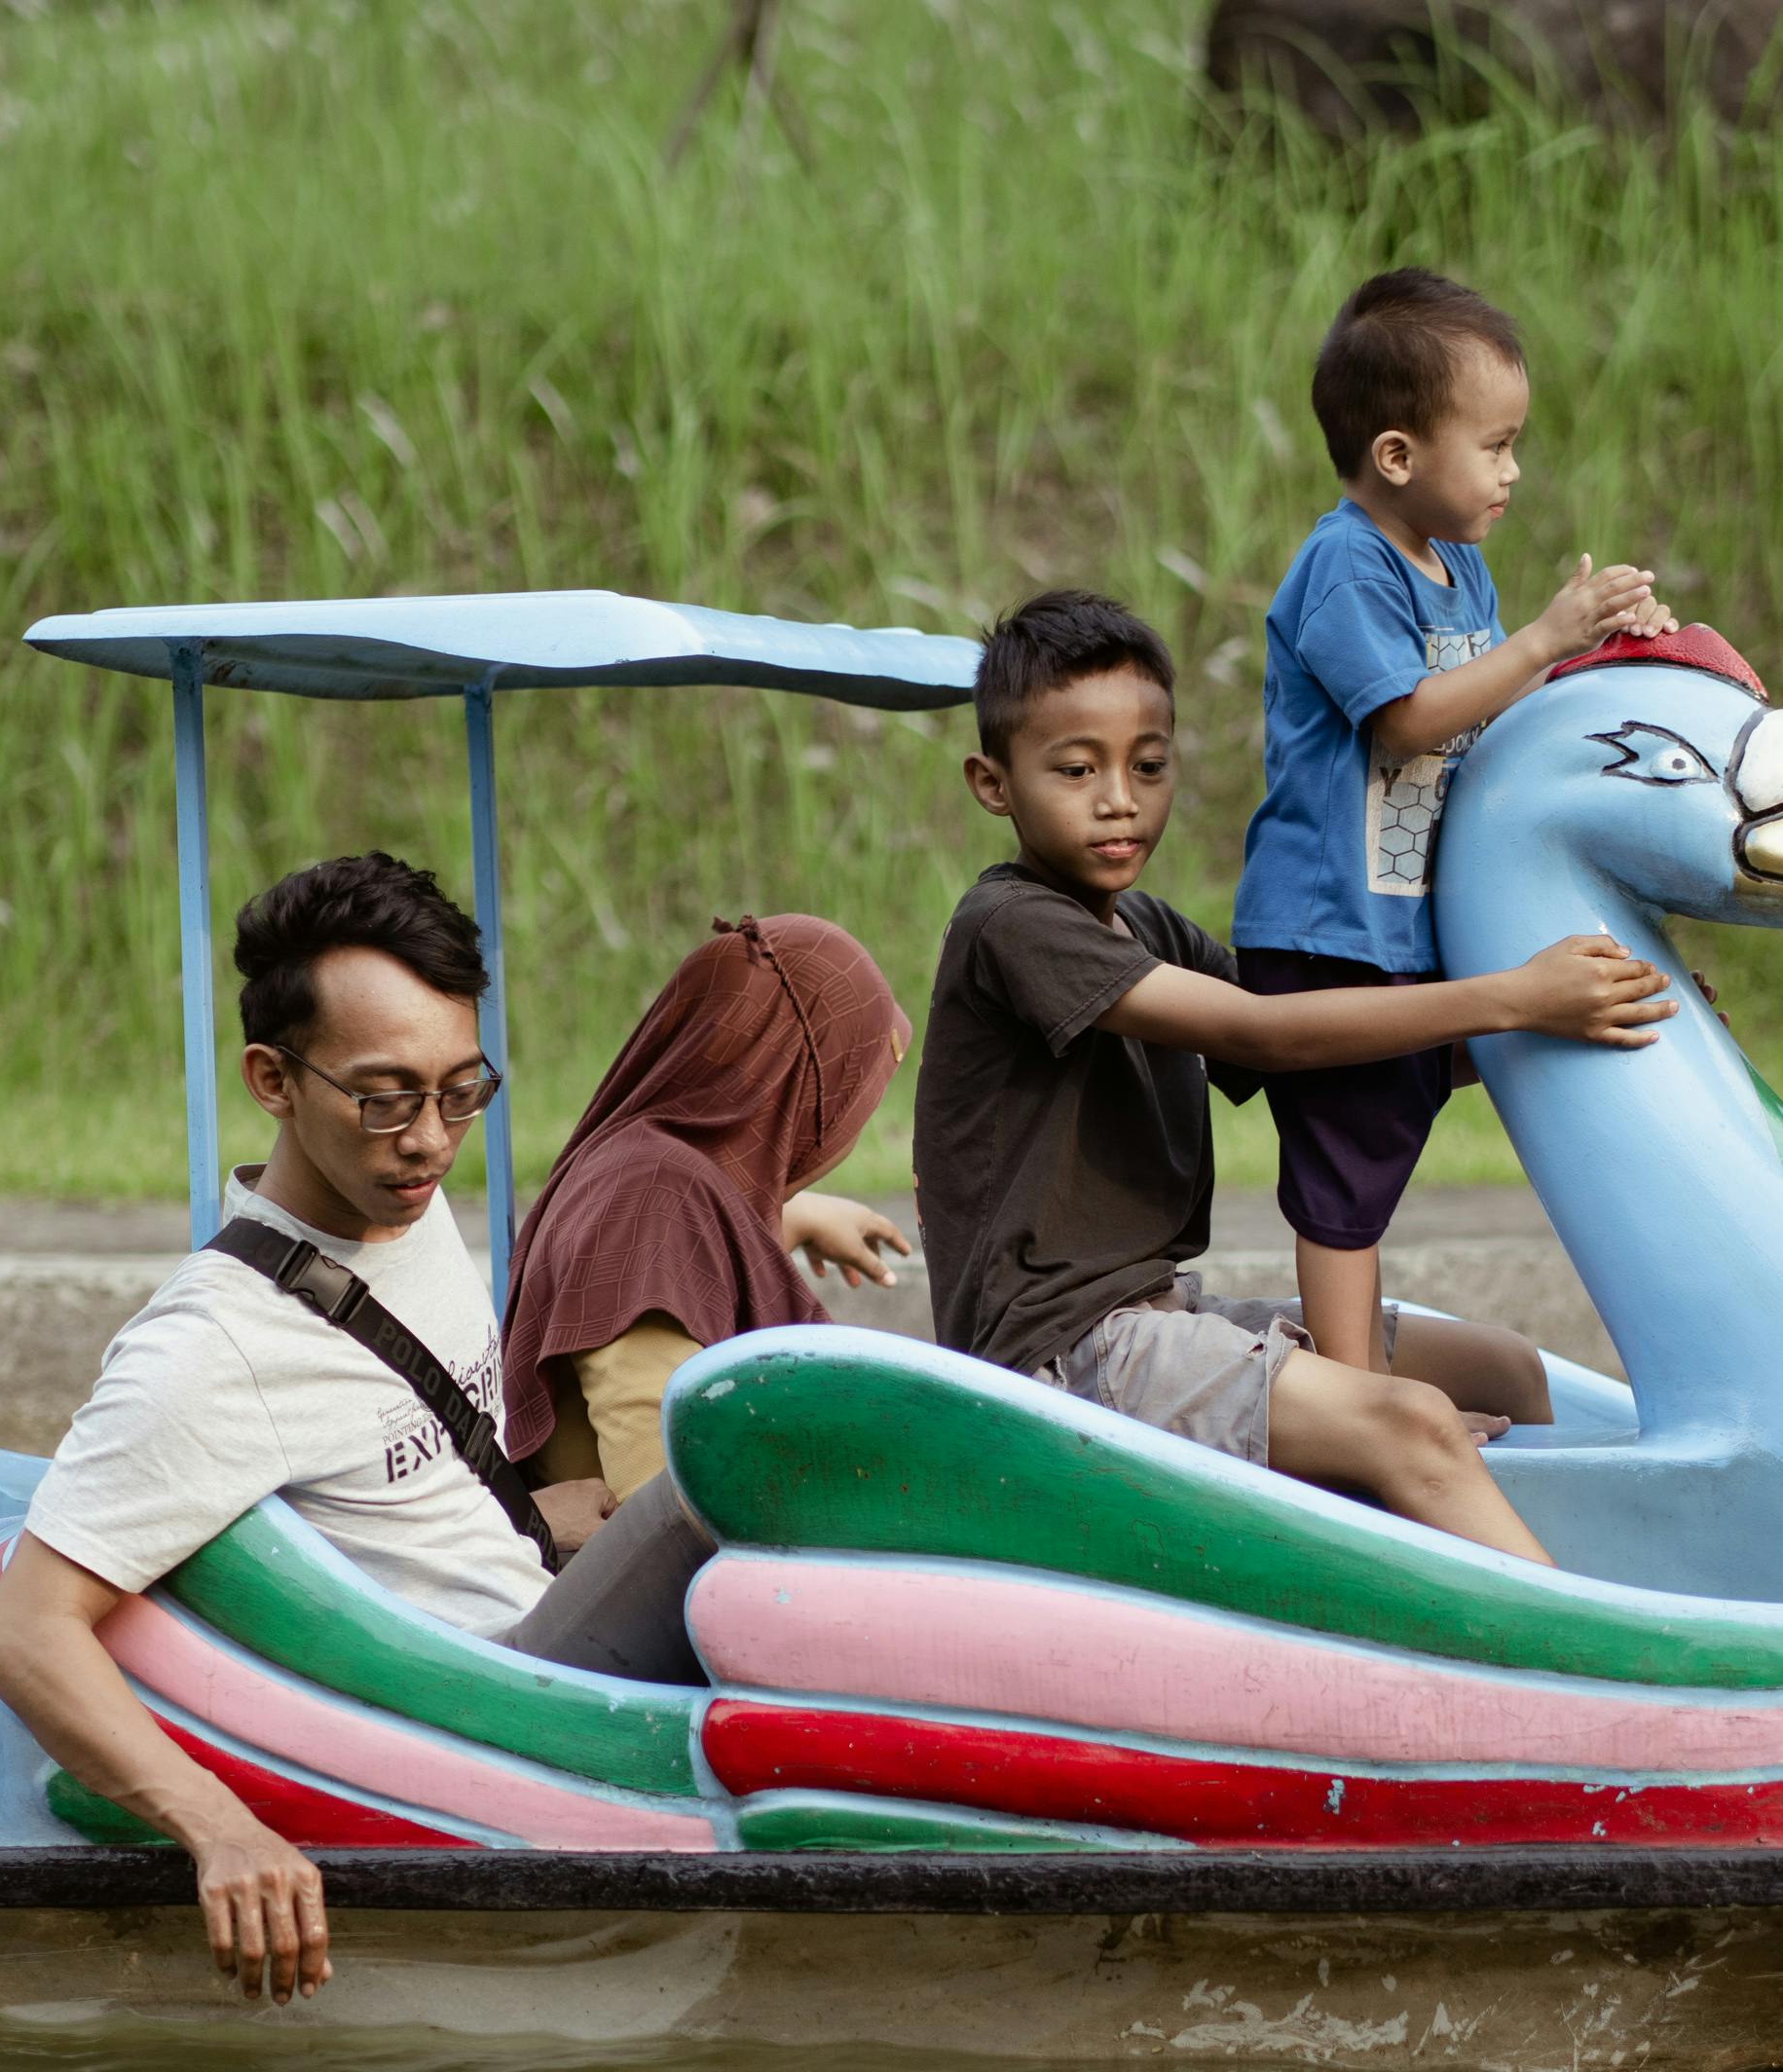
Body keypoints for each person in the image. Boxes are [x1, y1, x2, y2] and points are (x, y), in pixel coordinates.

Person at [0, 851, 714, 2010]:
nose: (429, 1139)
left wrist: (523, 1511)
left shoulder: (399, 1208)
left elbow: (402, 1449)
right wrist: (222, 1832)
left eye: (461, 1091)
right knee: (736, 1471)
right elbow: (26, 1632)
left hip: (539, 1598)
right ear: (272, 1079)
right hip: (505, 1701)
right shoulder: (210, 1349)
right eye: (383, 1098)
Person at [913, 587, 1676, 1558]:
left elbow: (1327, 1071)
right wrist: (1510, 997)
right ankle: (1594, 1668)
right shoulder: (1011, 925)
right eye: (1074, 769)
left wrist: (1577, 1015)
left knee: (1500, 1370)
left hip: (1158, 1316)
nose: (1118, 798)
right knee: (1415, 1425)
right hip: (1059, 1357)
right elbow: (1267, 1034)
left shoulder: (1142, 927)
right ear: (992, 783)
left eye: (1147, 766)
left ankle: (1554, 1578)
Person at [1230, 266, 1675, 1374]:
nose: (1512, 471)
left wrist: (1609, 648)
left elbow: (1496, 715)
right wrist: (1541, 638)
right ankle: (1348, 1396)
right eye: (1494, 444)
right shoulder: (1343, 565)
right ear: (1395, 456)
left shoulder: (1457, 570)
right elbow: (1410, 722)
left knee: (1407, 1130)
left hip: (1407, 926)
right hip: (1329, 931)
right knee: (1343, 1179)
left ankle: (1358, 1381)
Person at [503, 913, 911, 1498]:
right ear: (803, 1093)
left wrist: (791, 1216)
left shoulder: (645, 1169)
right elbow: (657, 1492)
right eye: (855, 1100)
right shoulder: (649, 1207)